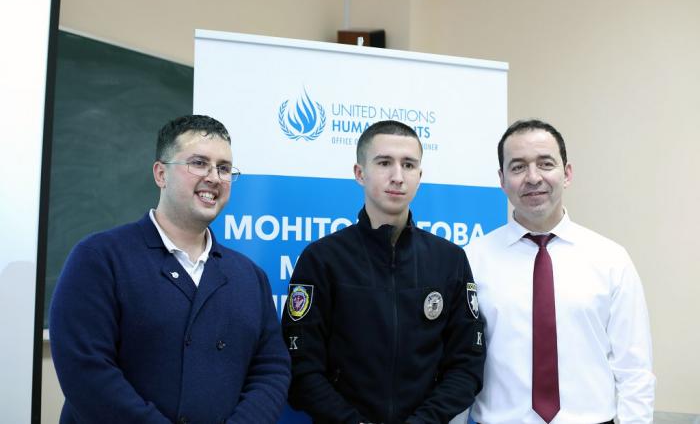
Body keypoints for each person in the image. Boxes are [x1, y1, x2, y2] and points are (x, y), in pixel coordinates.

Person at [50, 115, 290, 424]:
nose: (214, 177)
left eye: (224, 168)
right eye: (199, 163)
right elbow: (85, 370)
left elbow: (271, 369)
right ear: (161, 174)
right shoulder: (99, 258)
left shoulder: (249, 276)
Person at [282, 120, 485, 424]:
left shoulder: (450, 259)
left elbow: (466, 364)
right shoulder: (322, 259)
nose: (398, 176)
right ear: (359, 173)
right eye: (384, 163)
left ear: (420, 176)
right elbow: (301, 365)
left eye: (408, 165)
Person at [467, 119, 655, 424]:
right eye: (518, 167)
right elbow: (459, 364)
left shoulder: (611, 259)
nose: (533, 177)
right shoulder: (472, 260)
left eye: (545, 164)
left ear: (566, 173)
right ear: (502, 179)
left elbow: (634, 369)